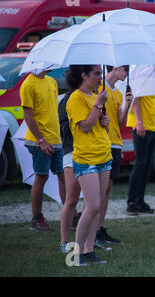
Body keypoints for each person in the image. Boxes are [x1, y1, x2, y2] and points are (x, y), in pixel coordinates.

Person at [66, 64, 111, 265]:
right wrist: (98, 106)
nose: (100, 77)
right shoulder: (76, 98)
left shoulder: (95, 96)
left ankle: (89, 250)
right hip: (86, 158)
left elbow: (96, 127)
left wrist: (105, 122)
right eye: (96, 73)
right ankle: (75, 254)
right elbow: (84, 127)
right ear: (84, 75)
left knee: (97, 207)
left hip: (103, 156)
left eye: (100, 73)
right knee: (92, 206)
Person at [20, 70, 65, 231]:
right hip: (39, 142)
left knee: (63, 175)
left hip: (56, 139)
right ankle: (36, 218)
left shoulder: (51, 81)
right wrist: (41, 140)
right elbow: (28, 117)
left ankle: (70, 214)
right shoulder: (28, 84)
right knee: (41, 177)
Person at [96, 65, 132, 242]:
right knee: (100, 189)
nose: (127, 74)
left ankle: (100, 227)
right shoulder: (99, 87)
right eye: (125, 70)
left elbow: (120, 121)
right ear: (116, 68)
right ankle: (94, 229)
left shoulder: (117, 93)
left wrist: (128, 104)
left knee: (108, 188)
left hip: (116, 144)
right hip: (103, 143)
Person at [125, 87, 155, 215]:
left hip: (152, 125)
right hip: (141, 126)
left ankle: (140, 201)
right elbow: (135, 100)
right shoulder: (142, 78)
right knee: (140, 163)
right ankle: (131, 202)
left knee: (147, 165)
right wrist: (139, 122)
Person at [59, 72, 82, 253]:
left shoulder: (89, 98)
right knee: (72, 199)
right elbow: (65, 129)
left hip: (89, 153)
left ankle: (88, 240)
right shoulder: (66, 101)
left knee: (91, 202)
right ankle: (64, 241)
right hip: (72, 151)